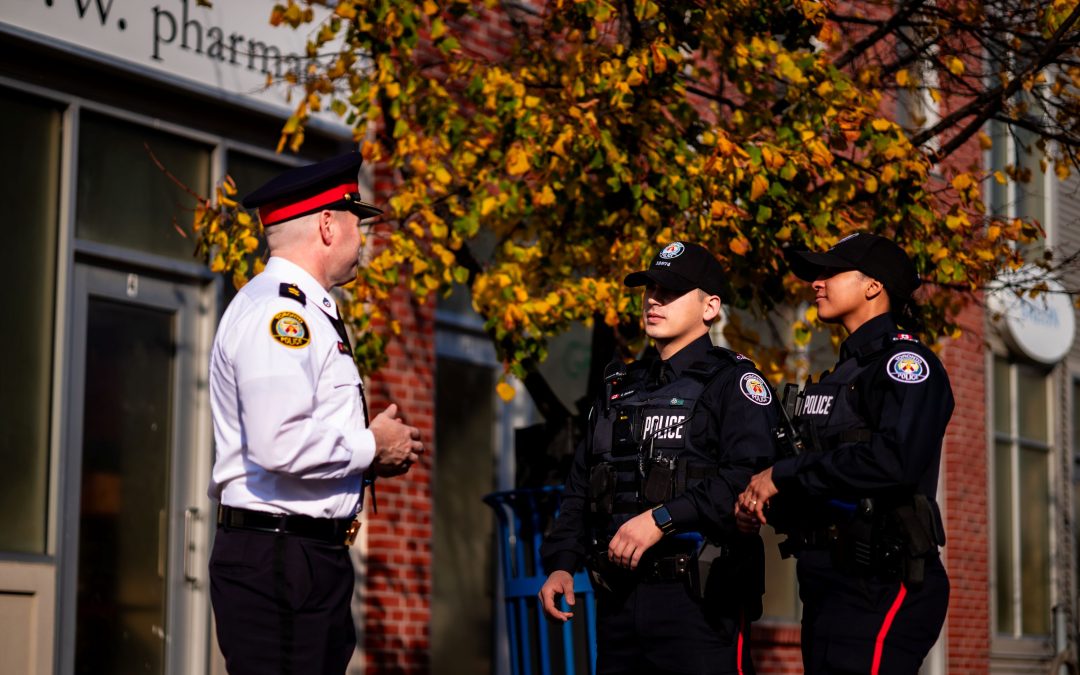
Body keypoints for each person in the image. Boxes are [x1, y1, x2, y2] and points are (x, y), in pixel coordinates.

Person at [207, 152, 424, 675]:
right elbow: (278, 444)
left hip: (300, 558)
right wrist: (371, 445)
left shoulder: (303, 308)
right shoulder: (281, 314)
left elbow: (299, 434)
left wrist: (367, 458)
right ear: (328, 225)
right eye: (356, 222)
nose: (361, 238)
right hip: (281, 561)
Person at [538, 241, 778, 675]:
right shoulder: (619, 385)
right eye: (650, 289)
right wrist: (562, 564)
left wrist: (661, 518)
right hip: (620, 600)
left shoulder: (735, 383)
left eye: (671, 291)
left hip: (699, 600)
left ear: (710, 308)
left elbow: (745, 480)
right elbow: (581, 486)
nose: (654, 299)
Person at [736, 232, 952, 675]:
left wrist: (784, 475)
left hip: (882, 579)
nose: (817, 282)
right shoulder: (838, 377)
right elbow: (821, 478)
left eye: (831, 272)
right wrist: (765, 499)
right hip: (826, 580)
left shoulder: (907, 365)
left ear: (874, 286)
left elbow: (892, 461)